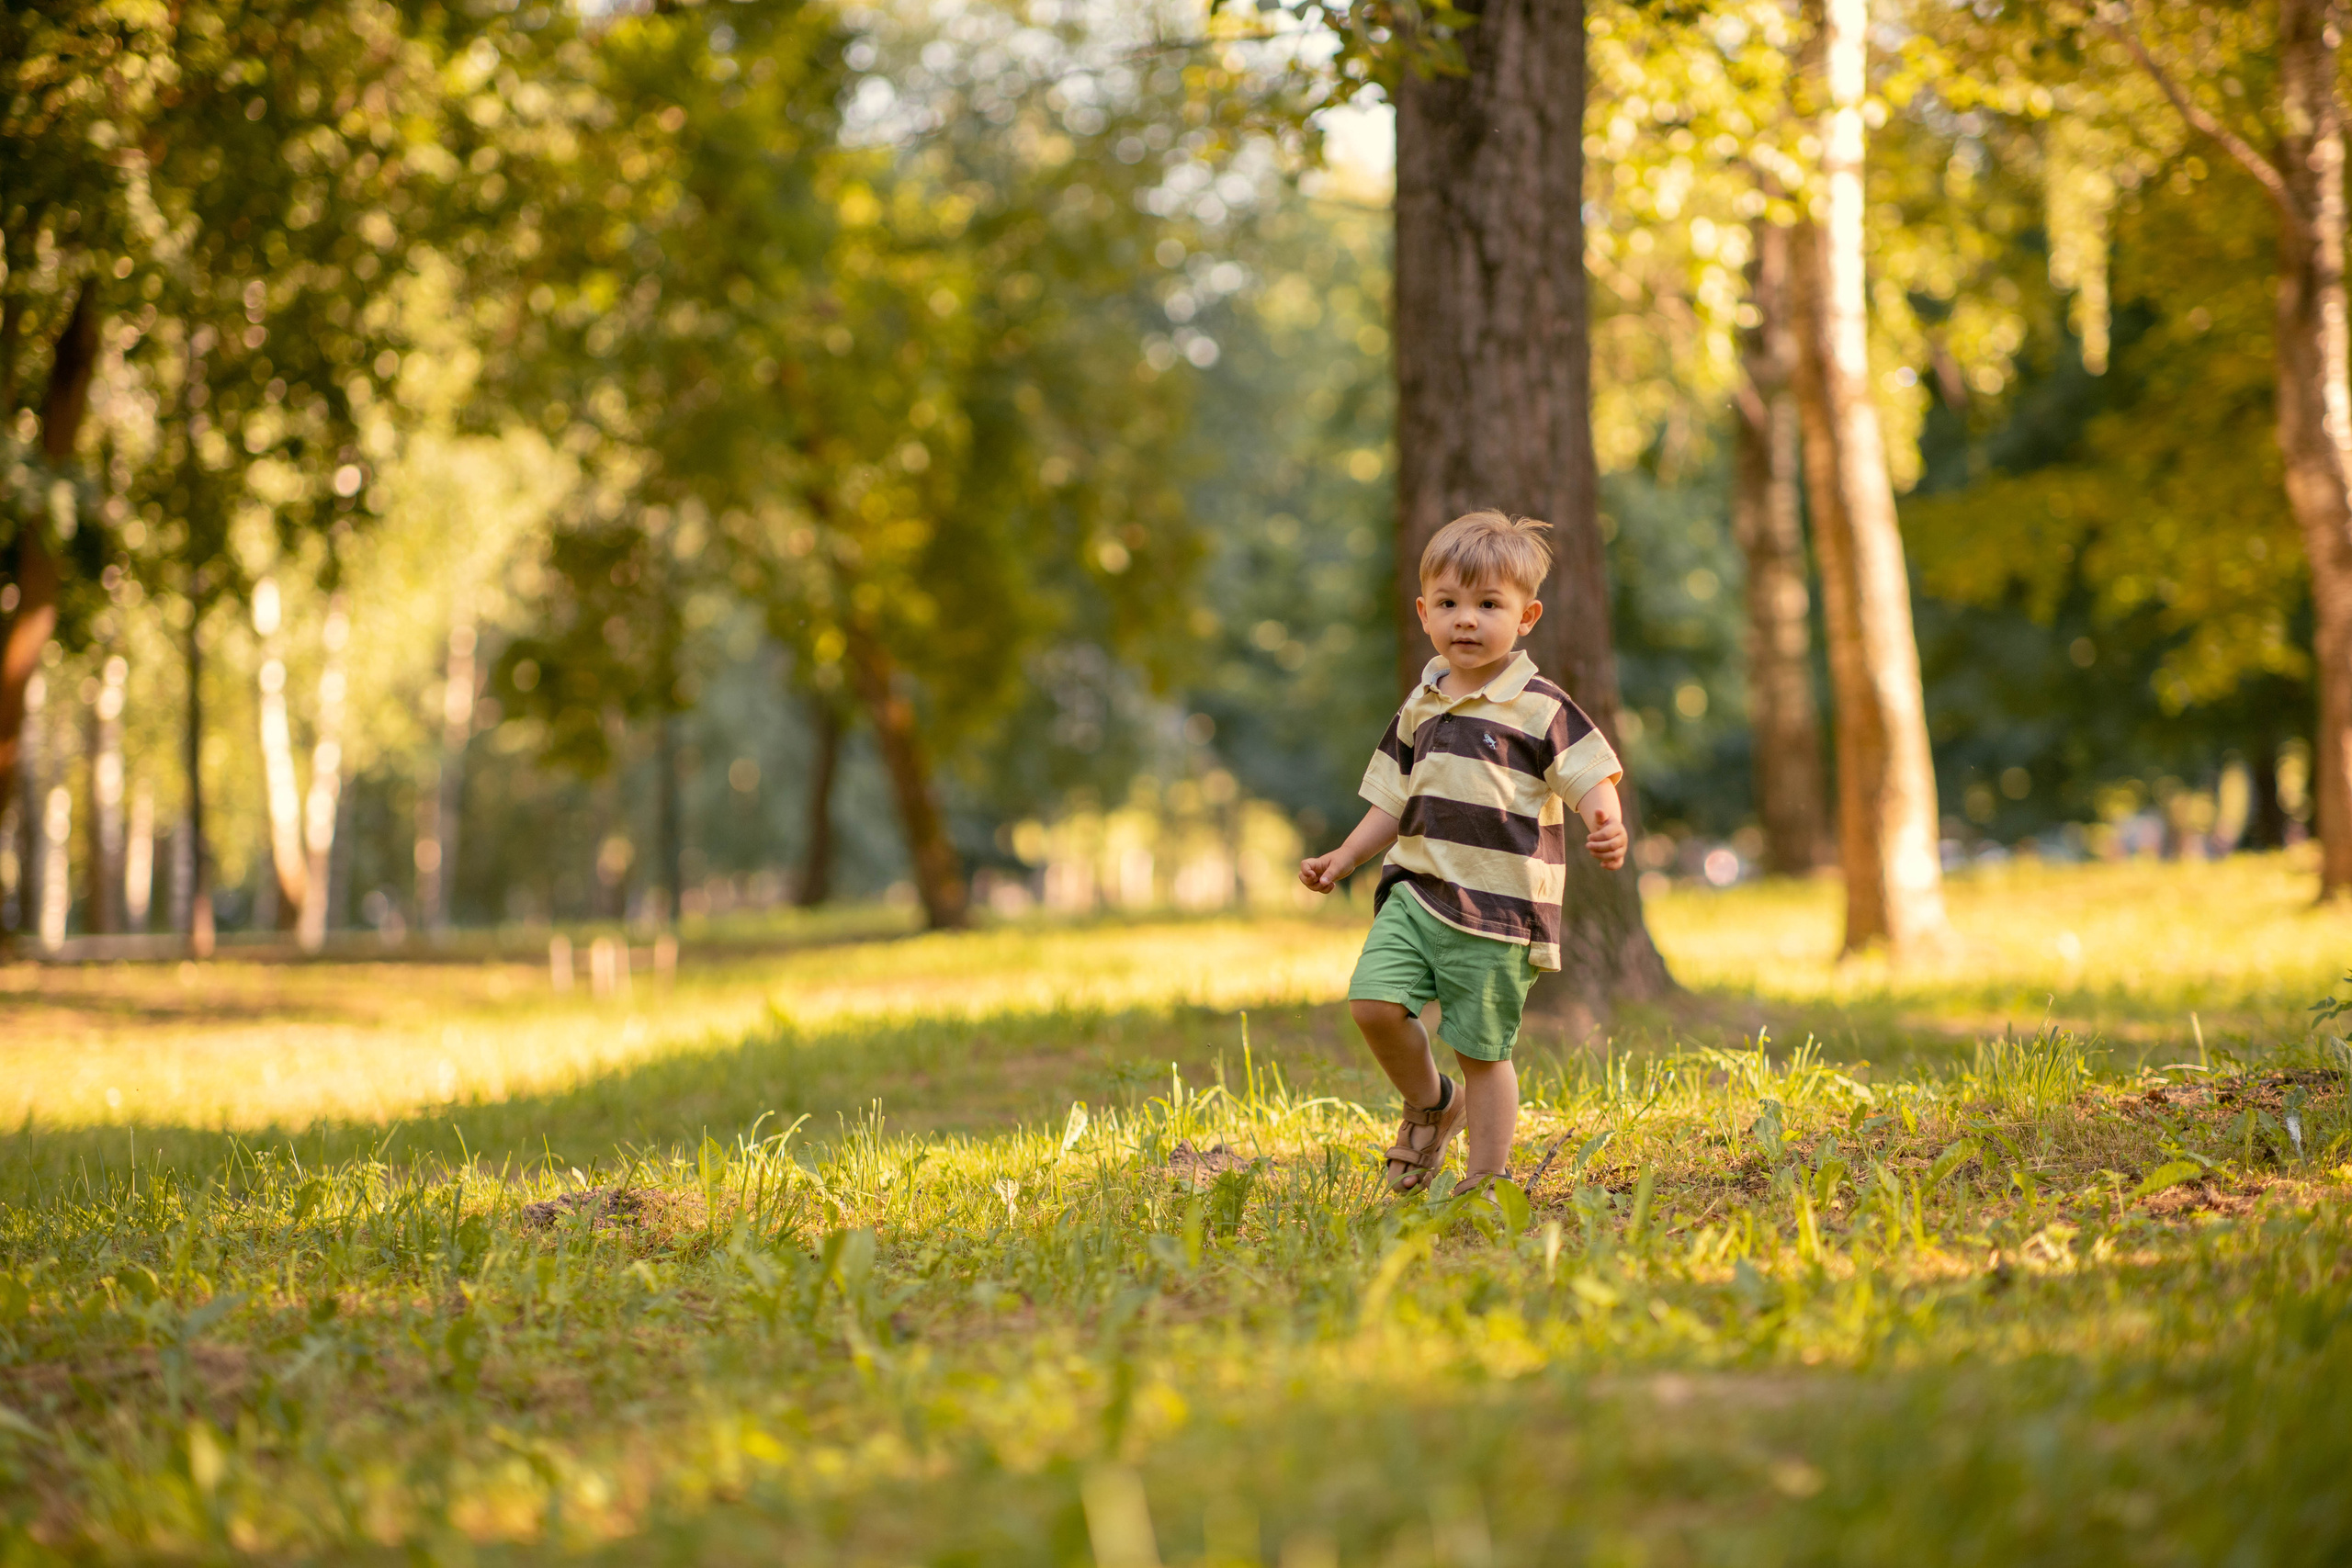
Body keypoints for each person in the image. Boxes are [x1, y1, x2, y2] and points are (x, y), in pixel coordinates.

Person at [1298, 510, 1629, 1193]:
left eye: (1488, 605)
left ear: (1526, 615)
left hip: (1499, 912)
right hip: (1416, 891)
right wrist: (1345, 856)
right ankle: (1430, 1102)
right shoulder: (1420, 706)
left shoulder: (1539, 707)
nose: (1466, 621)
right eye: (1448, 604)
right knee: (1373, 1004)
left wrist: (1606, 819)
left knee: (1483, 1051)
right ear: (1424, 613)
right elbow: (1390, 800)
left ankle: (1486, 1179)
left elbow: (1590, 773)